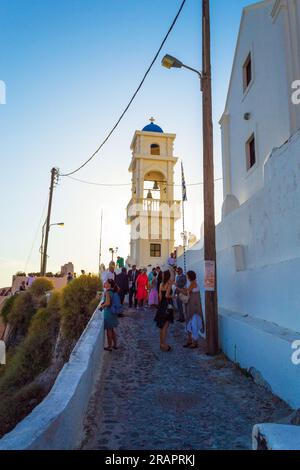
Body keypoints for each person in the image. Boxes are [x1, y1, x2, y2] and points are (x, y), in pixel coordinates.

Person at [180, 271, 205, 349]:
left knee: (193, 324)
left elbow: (187, 291)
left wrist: (177, 288)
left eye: (187, 276)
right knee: (190, 324)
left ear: (190, 276)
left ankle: (194, 342)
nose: (187, 277)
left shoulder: (193, 283)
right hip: (192, 307)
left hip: (194, 308)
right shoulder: (192, 283)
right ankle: (190, 340)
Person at [154, 270, 174, 352]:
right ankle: (164, 345)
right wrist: (173, 296)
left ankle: (161, 343)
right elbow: (166, 295)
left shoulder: (161, 284)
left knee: (161, 326)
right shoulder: (168, 285)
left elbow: (160, 296)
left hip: (162, 305)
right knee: (165, 326)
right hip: (167, 305)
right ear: (168, 276)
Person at [100, 278, 118, 352]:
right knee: (112, 329)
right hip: (113, 312)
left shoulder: (107, 292)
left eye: (106, 282)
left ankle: (110, 346)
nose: (105, 283)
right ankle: (115, 345)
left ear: (109, 284)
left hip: (108, 312)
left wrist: (102, 306)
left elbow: (107, 303)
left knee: (109, 330)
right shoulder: (113, 291)